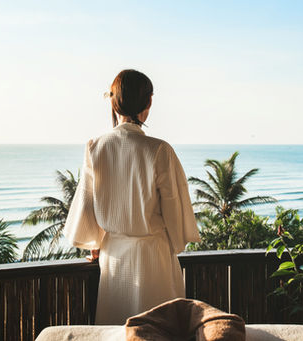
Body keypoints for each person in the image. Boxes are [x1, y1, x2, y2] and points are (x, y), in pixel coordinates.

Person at [64, 69, 201, 325]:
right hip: (155, 256)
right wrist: (177, 241)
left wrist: (95, 243)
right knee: (162, 328)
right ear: (149, 102)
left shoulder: (95, 147)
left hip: (115, 258)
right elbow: (174, 208)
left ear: (113, 102)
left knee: (118, 328)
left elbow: (86, 201)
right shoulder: (159, 150)